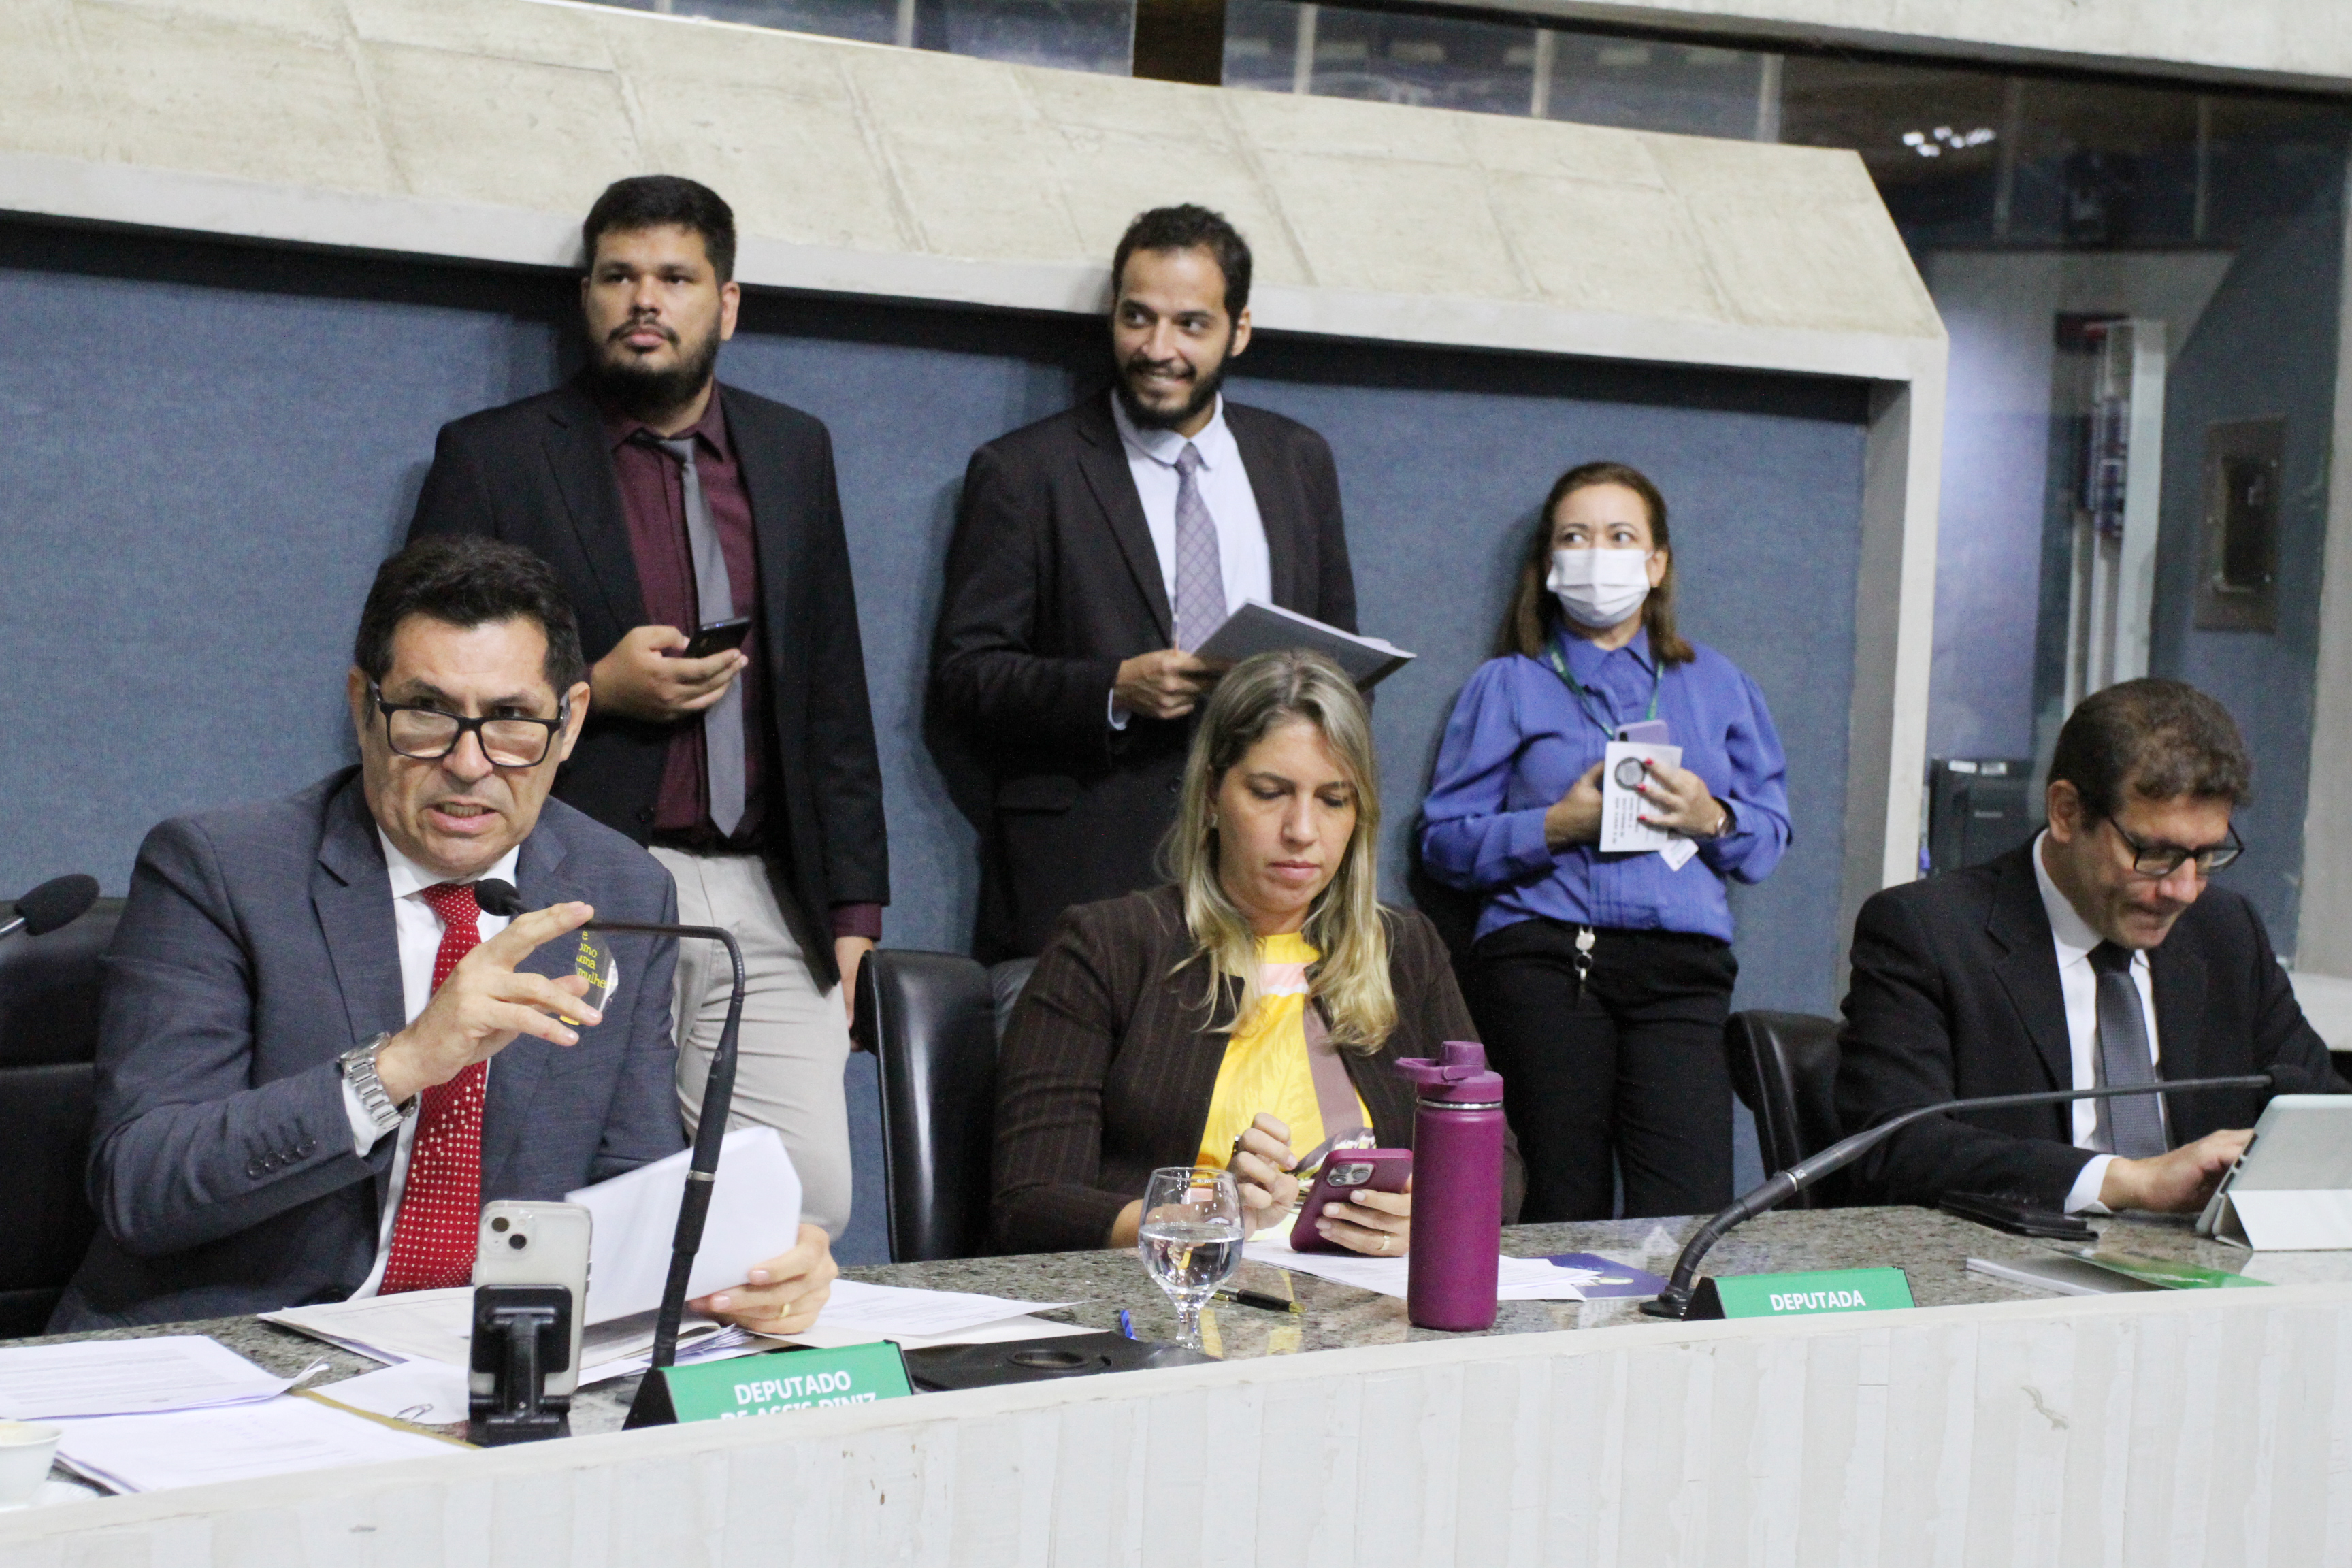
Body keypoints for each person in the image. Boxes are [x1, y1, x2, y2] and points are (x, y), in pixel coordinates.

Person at [54, 538, 834, 1331]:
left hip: (483, 1350)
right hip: (239, 1344)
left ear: (570, 723)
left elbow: (631, 1179)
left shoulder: (619, 891)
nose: (469, 763)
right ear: (363, 708)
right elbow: (142, 1184)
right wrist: (401, 1065)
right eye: (427, 714)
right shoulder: (220, 870)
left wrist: (734, 1265)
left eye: (512, 720)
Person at [408, 175, 885, 1241]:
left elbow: (834, 691)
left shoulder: (794, 450)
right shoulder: (496, 455)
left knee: (803, 1204)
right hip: (586, 877)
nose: (645, 300)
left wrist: (855, 915)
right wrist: (597, 687)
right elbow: (427, 675)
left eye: (675, 277)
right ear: (587, 296)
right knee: (569, 1186)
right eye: (619, 277)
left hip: (768, 887)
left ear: (727, 303)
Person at [930, 203, 1358, 960]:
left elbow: (1339, 664)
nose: (1159, 349)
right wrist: (1114, 689)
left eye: (1191, 324)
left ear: (1239, 330)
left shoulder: (1298, 460)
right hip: (1088, 874)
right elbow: (968, 678)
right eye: (1138, 318)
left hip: (1268, 885)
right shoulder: (1026, 472)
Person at [991, 649, 1522, 1255]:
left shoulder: (1403, 948)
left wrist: (1433, 1213)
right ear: (1212, 795)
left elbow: (1499, 1169)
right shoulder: (1109, 944)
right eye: (1270, 793)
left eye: (1334, 800)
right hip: (1182, 1295)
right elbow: (1029, 1202)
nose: (1302, 831)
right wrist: (1205, 1219)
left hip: (1365, 1294)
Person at [1419, 461, 1791, 1223]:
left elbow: (1768, 839)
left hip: (1683, 972)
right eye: (1575, 537)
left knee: (1690, 1211)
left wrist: (1711, 816)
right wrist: (1559, 825)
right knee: (1557, 1201)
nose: (1598, 554)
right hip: (1548, 966)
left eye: (1621, 536)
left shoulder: (1719, 684)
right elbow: (1443, 845)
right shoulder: (1508, 684)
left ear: (1656, 564)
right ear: (1549, 565)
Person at [1837, 678, 2346, 1211]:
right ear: (2066, 812)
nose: (2184, 890)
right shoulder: (1929, 933)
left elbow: (2325, 1114)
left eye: (2205, 856)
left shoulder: (2227, 933)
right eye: (2156, 853)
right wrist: (2130, 1182)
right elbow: (1896, 1149)